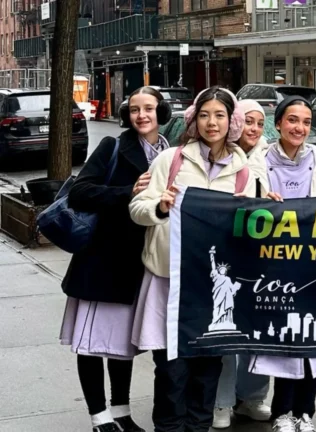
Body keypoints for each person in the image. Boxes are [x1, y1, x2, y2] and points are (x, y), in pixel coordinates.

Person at [129, 86, 258, 432]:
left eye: (219, 115)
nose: (211, 123)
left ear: (231, 121)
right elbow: (137, 208)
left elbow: (250, 228)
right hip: (169, 286)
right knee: (171, 372)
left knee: (207, 373)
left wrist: (265, 212)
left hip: (209, 294)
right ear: (194, 119)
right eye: (204, 115)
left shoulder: (244, 172)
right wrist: (160, 207)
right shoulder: (170, 160)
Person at [59, 86, 171, 432]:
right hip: (102, 260)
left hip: (140, 262)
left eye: (149, 108)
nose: (142, 115)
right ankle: (99, 416)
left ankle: (121, 412)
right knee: (92, 343)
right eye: (135, 109)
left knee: (122, 342)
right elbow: (80, 192)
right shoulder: (112, 146)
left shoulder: (169, 151)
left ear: (161, 111)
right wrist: (128, 192)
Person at [247, 95, 316, 432]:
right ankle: (282, 413)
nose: (299, 128)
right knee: (284, 342)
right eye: (292, 120)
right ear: (278, 124)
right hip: (274, 266)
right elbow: (241, 205)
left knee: (315, 341)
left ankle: (305, 413)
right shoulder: (257, 162)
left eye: (306, 122)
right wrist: (259, 201)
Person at [211, 98, 272, 429]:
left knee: (258, 330)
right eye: (248, 121)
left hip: (261, 257)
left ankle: (252, 397)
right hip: (226, 255)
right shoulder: (220, 155)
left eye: (260, 123)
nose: (254, 128)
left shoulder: (268, 157)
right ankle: (221, 401)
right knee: (226, 332)